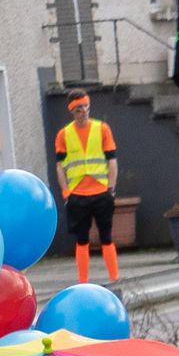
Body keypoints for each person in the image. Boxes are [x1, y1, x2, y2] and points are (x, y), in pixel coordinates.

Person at [54, 92, 121, 287]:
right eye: (78, 108)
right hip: (78, 195)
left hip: (101, 192)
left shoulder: (102, 129)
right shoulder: (64, 134)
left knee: (107, 237)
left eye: (85, 107)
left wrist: (111, 188)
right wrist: (66, 192)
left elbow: (112, 160)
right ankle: (83, 282)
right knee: (82, 240)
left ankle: (114, 278)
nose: (83, 111)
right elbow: (60, 166)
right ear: (72, 111)